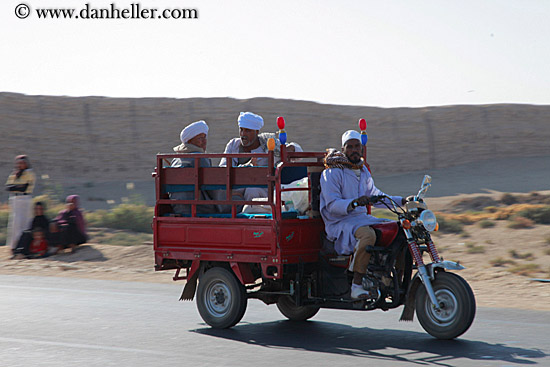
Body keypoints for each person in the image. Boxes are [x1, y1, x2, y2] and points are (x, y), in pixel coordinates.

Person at [320, 130, 407, 299]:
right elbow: (332, 205)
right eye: (350, 147)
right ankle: (356, 285)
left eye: (357, 146)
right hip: (340, 222)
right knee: (367, 235)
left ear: (361, 148)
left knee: (400, 230)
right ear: (343, 149)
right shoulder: (332, 173)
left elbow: (375, 196)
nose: (354, 150)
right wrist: (354, 203)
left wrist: (403, 200)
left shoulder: (363, 171)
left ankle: (393, 279)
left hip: (361, 219)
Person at [219, 112, 281, 201]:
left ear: (256, 132)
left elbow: (294, 150)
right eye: (241, 130)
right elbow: (223, 168)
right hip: (237, 187)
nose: (243, 134)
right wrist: (246, 167)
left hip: (262, 189)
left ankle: (251, 214)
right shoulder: (233, 144)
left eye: (247, 131)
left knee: (252, 190)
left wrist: (292, 148)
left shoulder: (267, 144)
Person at [169, 120, 218, 215]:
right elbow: (210, 188)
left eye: (205, 138)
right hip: (200, 208)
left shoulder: (176, 159)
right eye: (200, 138)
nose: (204, 142)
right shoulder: (200, 159)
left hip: (178, 208)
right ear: (190, 141)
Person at [5, 155, 35, 255]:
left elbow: (24, 188)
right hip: (15, 199)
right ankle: (14, 247)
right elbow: (8, 187)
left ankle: (23, 246)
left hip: (24, 199)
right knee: (14, 224)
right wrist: (18, 186)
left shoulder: (29, 173)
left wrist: (16, 186)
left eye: (22, 163)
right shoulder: (14, 174)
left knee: (24, 223)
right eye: (19, 163)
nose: (20, 165)